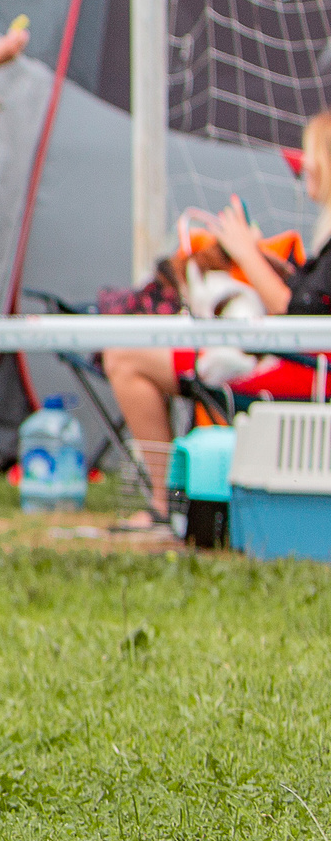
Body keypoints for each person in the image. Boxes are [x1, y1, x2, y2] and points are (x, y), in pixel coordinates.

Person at [103, 111, 331, 529]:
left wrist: (245, 252)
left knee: (124, 358)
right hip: (287, 358)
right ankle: (170, 497)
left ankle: (162, 501)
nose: (303, 164)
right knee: (129, 353)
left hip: (303, 369)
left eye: (312, 153)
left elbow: (297, 315)